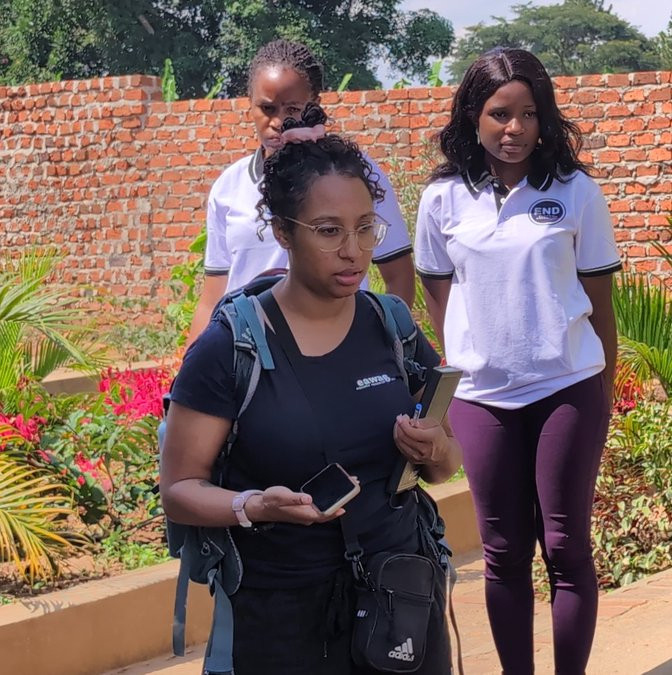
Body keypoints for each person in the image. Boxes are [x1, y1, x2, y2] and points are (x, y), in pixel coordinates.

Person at [161, 104, 461, 673]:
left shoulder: (391, 326)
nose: (353, 250)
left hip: (399, 604)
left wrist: (435, 449)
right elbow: (179, 489)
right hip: (282, 618)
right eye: (328, 231)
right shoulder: (231, 348)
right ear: (282, 232)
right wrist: (253, 506)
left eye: (366, 227)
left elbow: (446, 466)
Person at [414, 47, 620, 675]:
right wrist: (469, 361)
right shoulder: (442, 200)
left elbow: (601, 305)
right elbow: (439, 298)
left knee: (565, 546)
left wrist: (603, 393)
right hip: (482, 398)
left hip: (567, 388)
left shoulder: (576, 192)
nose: (515, 129)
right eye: (500, 114)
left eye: (529, 114)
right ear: (472, 116)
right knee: (503, 552)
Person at [186, 39, 415, 347]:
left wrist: (381, 347)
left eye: (292, 108)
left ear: (315, 104)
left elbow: (399, 276)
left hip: (339, 347)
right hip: (252, 353)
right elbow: (213, 295)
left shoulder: (357, 176)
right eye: (267, 108)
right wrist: (191, 363)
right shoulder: (229, 187)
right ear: (249, 104)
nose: (278, 121)